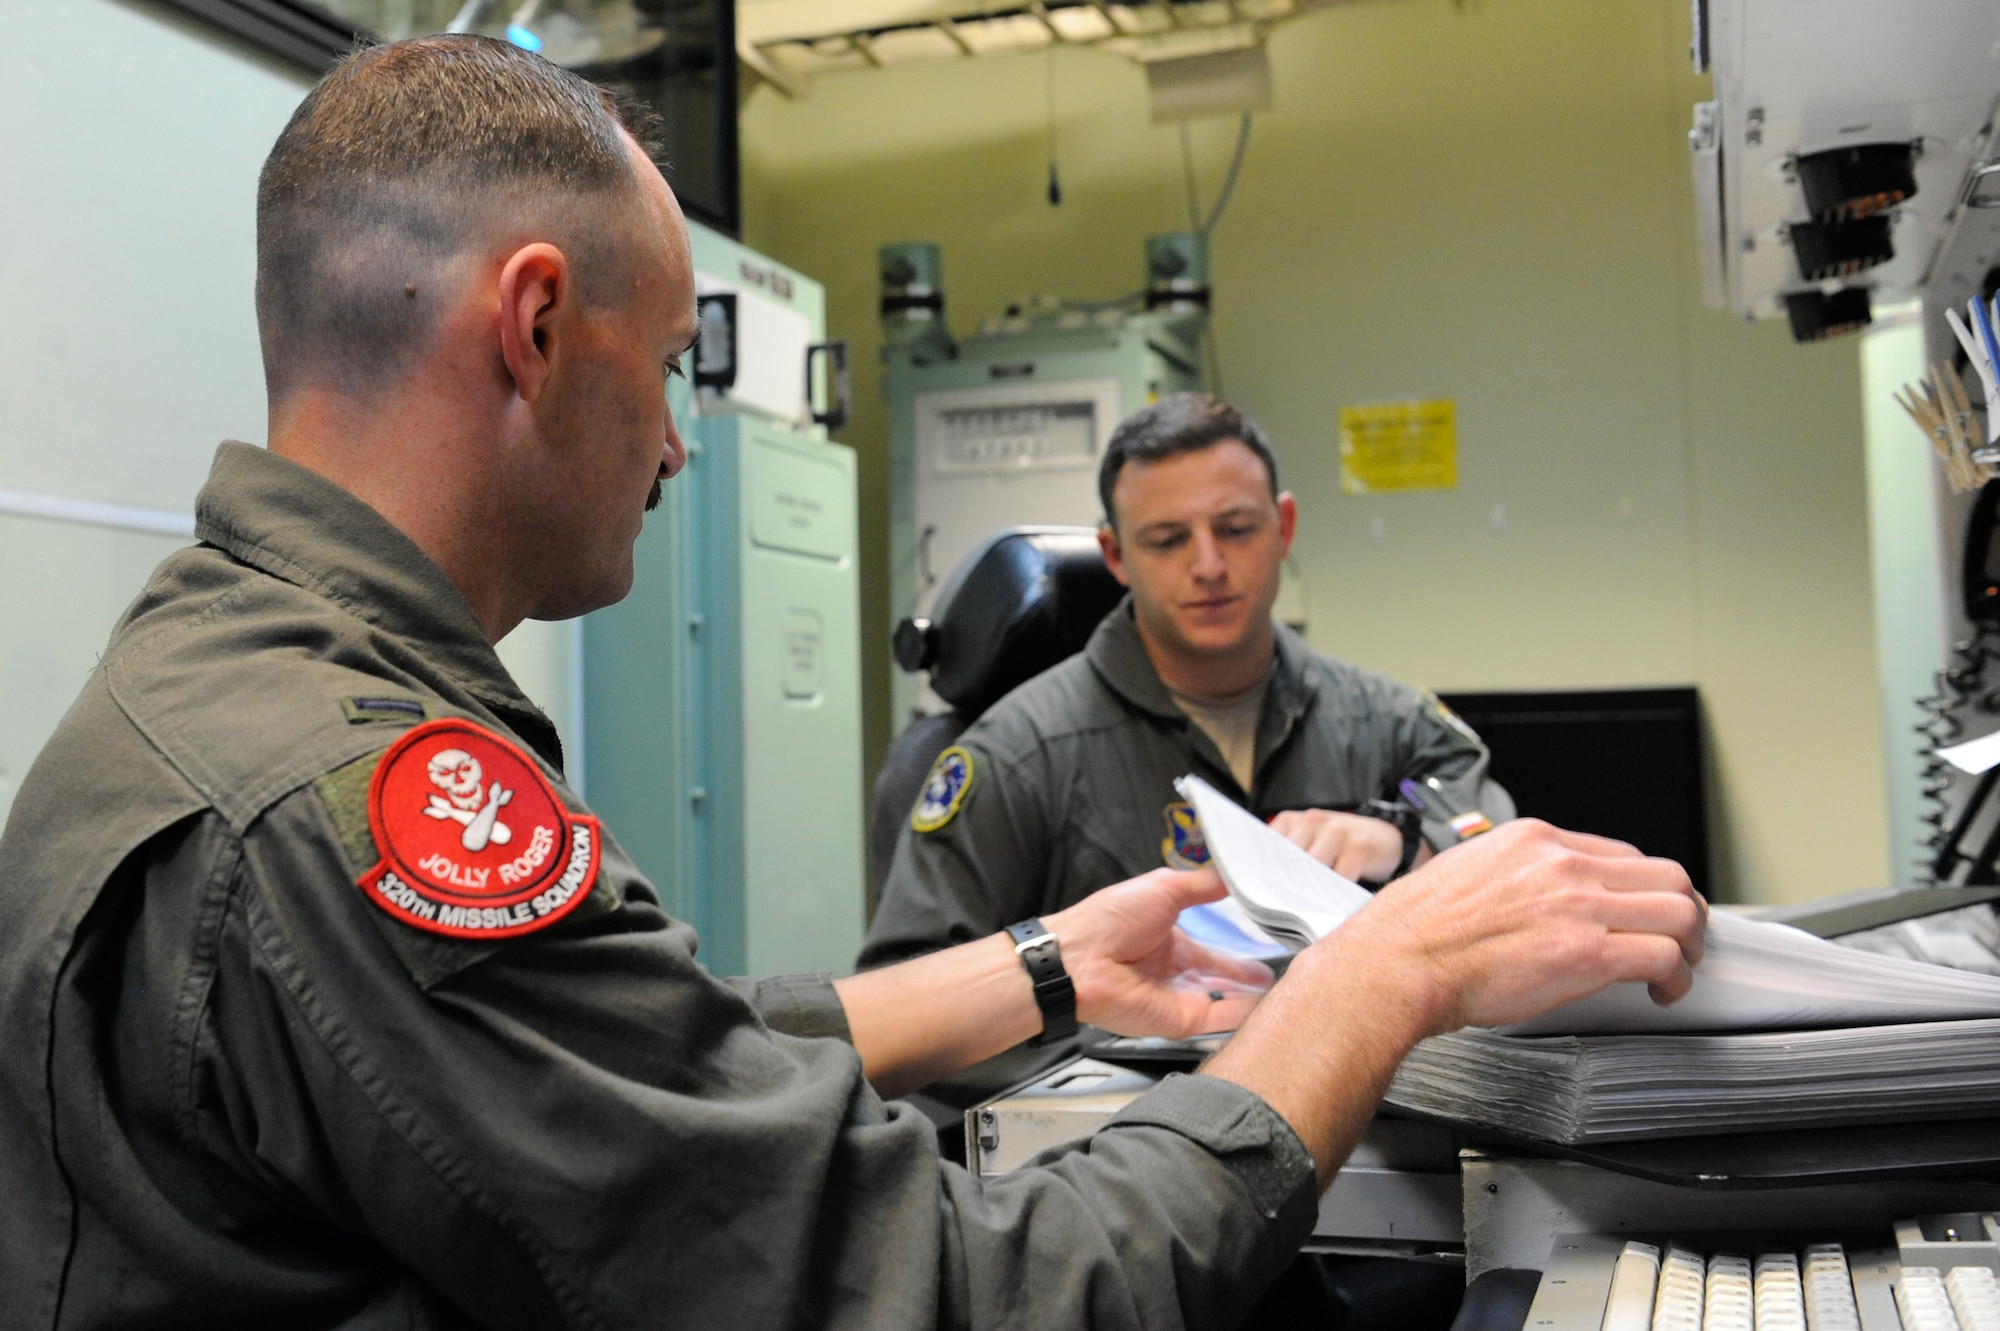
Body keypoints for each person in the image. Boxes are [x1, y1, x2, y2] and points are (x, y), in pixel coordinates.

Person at [0, 35, 1705, 1330]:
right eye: (667, 370)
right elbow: (967, 1291)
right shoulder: (356, 811)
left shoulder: (218, 669)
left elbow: (638, 1065)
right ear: (530, 327)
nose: (677, 444)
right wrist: (1379, 981)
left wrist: (1055, 965)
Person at [862, 393, 1515, 969]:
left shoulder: (1383, 718)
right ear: (1115, 554)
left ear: (1282, 527)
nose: (1208, 565)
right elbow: (908, 993)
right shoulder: (1018, 754)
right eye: (1168, 539)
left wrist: (1407, 840)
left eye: (1235, 529)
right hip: (1119, 1099)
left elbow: (1505, 855)